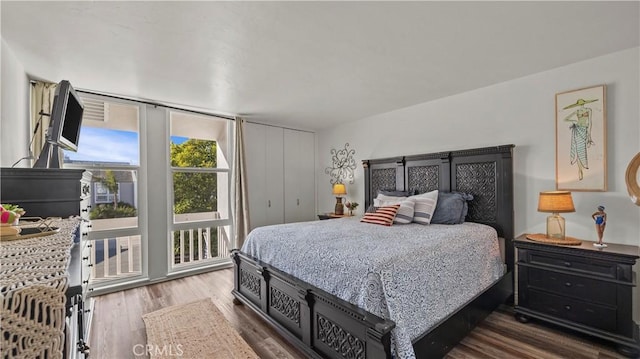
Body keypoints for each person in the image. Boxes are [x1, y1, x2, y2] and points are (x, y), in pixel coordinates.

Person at [563, 98, 598, 180]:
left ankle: (581, 169)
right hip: (577, 129)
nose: (581, 105)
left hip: (584, 130)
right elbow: (565, 118)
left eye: (581, 104)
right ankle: (580, 170)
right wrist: (575, 120)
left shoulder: (589, 110)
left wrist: (589, 135)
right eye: (580, 104)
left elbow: (590, 122)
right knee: (578, 148)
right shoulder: (577, 111)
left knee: (582, 149)